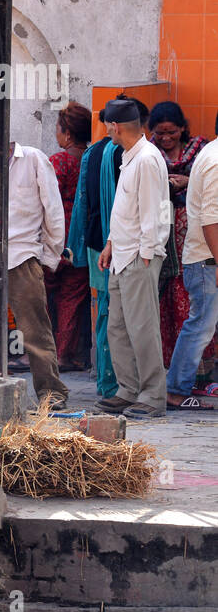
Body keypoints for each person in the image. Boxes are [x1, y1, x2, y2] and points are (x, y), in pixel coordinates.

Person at [0, 106, 69, 406]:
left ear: (5, 132)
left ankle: (51, 393)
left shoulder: (33, 159)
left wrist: (49, 256)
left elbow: (53, 210)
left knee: (34, 330)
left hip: (22, 255)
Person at [96, 96, 172, 419]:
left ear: (115, 126)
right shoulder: (129, 156)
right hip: (121, 255)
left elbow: (154, 213)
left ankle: (153, 395)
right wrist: (111, 242)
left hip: (139, 257)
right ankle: (129, 389)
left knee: (142, 327)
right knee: (118, 327)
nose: (107, 132)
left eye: (108, 127)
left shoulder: (147, 159)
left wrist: (146, 254)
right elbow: (127, 210)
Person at [67, 106, 126, 399]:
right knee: (111, 310)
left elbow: (81, 202)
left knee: (104, 308)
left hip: (95, 242)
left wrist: (75, 248)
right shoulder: (120, 153)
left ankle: (108, 381)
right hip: (110, 243)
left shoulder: (93, 154)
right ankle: (110, 383)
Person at [149, 101, 211, 370]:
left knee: (197, 305)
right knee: (166, 302)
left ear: (183, 128)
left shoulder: (201, 152)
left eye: (171, 132)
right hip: (164, 238)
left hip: (195, 241)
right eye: (160, 133)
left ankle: (198, 371)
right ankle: (170, 367)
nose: (165, 138)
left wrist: (189, 182)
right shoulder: (149, 155)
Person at [165, 111, 218, 410]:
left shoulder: (210, 152)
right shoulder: (216, 160)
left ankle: (180, 386)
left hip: (206, 258)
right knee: (200, 326)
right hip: (206, 260)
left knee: (202, 325)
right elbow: (211, 218)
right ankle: (175, 390)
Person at [46, 101, 92, 371]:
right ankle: (66, 355)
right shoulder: (93, 158)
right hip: (82, 241)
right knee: (71, 300)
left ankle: (42, 353)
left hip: (55, 240)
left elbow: (45, 200)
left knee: (41, 298)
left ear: (67, 133)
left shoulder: (59, 161)